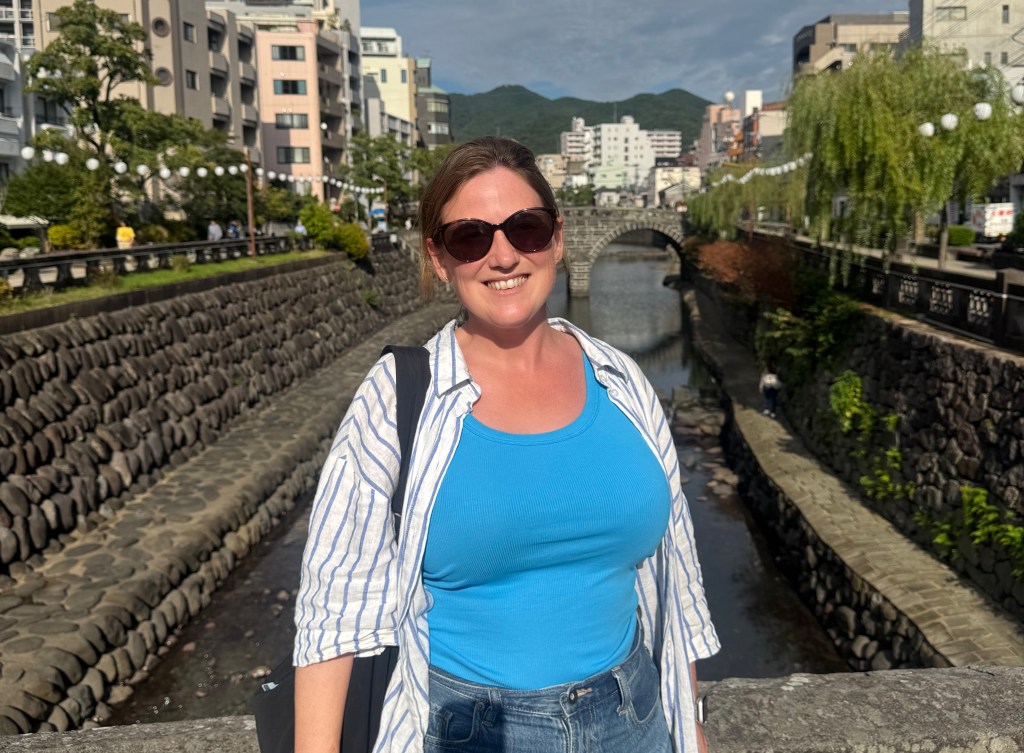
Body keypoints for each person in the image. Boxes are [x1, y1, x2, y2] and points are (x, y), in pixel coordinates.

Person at [293, 137, 719, 753]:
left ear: (557, 238)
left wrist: (692, 729)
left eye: (526, 227)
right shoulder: (399, 397)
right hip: (472, 730)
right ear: (438, 258)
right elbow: (337, 603)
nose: (503, 256)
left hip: (635, 717)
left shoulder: (622, 382)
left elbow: (672, 573)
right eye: (471, 237)